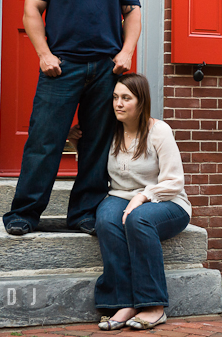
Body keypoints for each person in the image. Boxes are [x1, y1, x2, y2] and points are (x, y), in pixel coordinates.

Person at [2, 0, 142, 236]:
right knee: (44, 140)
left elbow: (133, 12)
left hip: (106, 70)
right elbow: (32, 10)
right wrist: (44, 54)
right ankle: (24, 213)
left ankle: (84, 213)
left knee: (96, 144)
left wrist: (126, 53)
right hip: (62, 68)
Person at [68, 73, 191, 331]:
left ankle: (154, 305)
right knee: (106, 219)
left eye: (126, 98)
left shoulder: (159, 131)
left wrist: (143, 196)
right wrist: (78, 145)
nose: (118, 104)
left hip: (166, 202)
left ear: (141, 102)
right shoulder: (109, 131)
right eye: (115, 97)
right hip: (120, 196)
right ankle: (123, 301)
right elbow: (95, 171)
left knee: (139, 219)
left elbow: (174, 181)